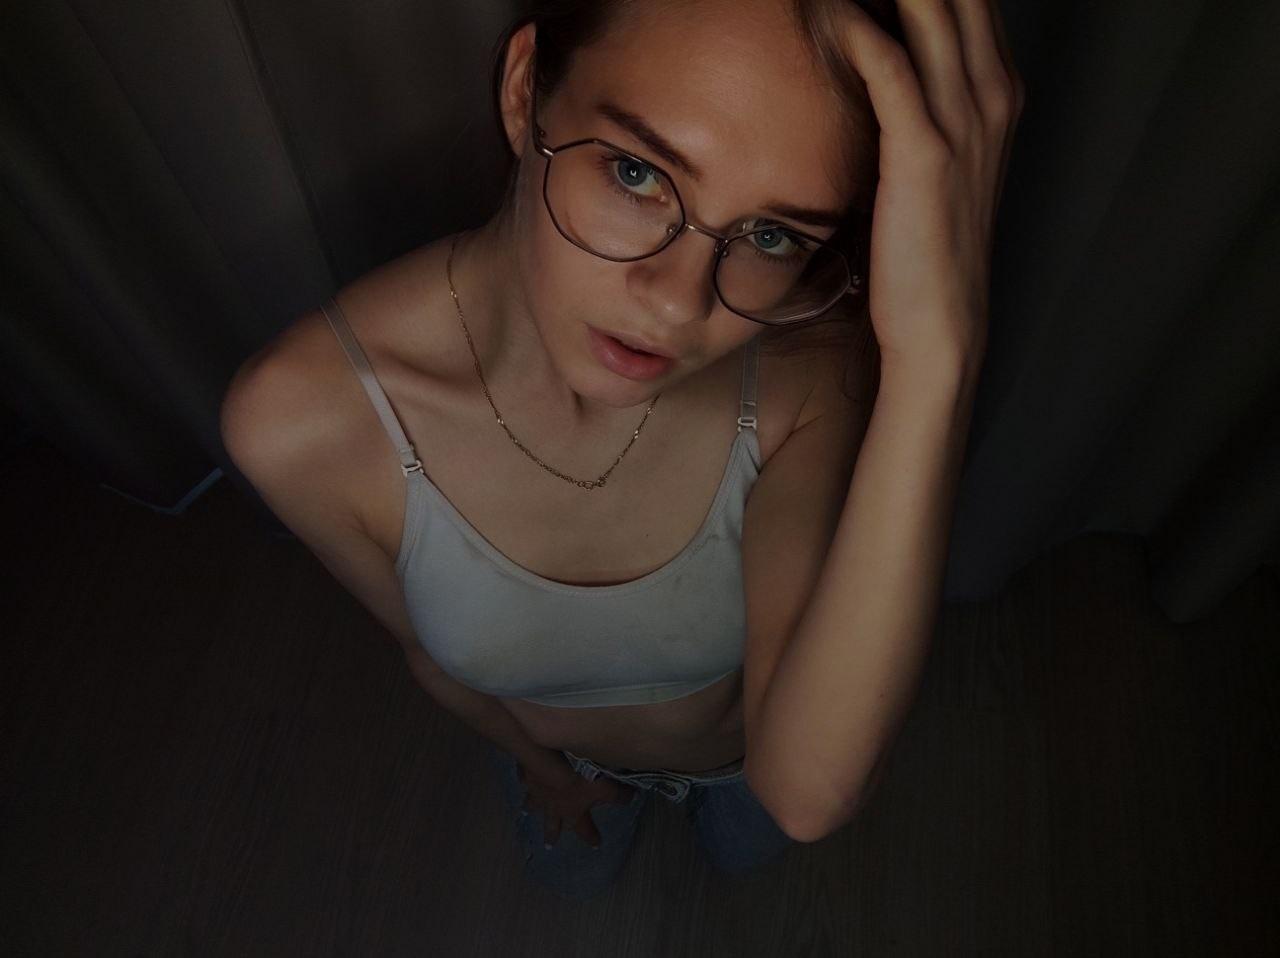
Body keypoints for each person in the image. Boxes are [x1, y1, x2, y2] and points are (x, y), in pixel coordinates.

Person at [220, 0, 1022, 902]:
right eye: (638, 173)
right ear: (525, 91)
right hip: (559, 764)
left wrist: (937, 357)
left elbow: (805, 793)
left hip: (746, 762)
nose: (679, 304)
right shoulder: (301, 420)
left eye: (772, 236)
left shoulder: (806, 368)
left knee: (748, 856)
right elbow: (426, 654)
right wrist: (545, 772)